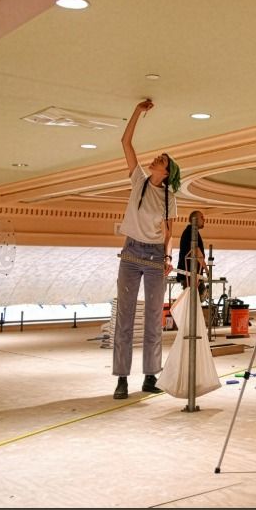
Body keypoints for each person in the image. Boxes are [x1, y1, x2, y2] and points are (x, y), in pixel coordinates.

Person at [111, 98, 179, 399]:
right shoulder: (138, 180)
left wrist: (166, 257)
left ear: (167, 171)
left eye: (161, 161)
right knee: (125, 317)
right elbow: (126, 142)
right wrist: (137, 112)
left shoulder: (168, 198)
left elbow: (168, 233)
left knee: (154, 318)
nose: (155, 160)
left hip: (153, 255)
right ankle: (122, 379)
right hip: (130, 252)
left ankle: (150, 376)